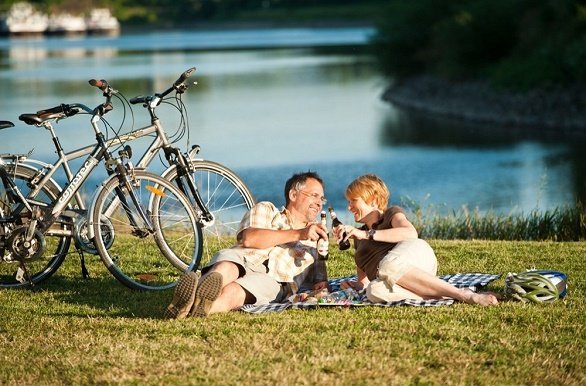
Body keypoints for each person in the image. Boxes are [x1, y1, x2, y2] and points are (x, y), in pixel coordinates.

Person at [164, 171, 330, 319]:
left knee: (234, 293)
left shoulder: (317, 240)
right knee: (225, 268)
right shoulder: (267, 210)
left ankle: (187, 308)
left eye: (322, 198)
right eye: (314, 195)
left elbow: (319, 283)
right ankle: (193, 298)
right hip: (245, 257)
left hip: (276, 279)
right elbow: (250, 239)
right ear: (293, 195)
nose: (319, 203)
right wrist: (300, 233)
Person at [332, 174, 498, 306]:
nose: (349, 207)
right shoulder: (358, 237)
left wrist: (368, 234)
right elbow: (364, 282)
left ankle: (464, 294)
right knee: (373, 291)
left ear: (374, 199)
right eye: (348, 202)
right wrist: (356, 285)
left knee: (387, 264)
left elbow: (410, 233)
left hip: (418, 259)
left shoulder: (391, 214)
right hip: (396, 279)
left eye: (354, 201)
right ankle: (444, 295)